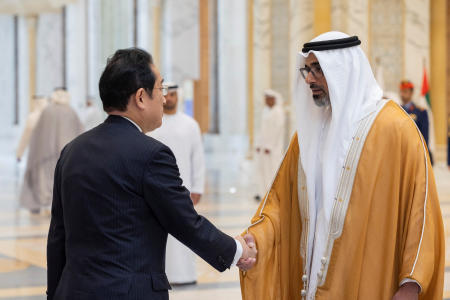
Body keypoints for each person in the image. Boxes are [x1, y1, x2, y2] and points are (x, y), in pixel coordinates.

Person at [238, 32, 444, 300]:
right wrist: (257, 239)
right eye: (307, 70)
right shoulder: (308, 135)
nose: (310, 78)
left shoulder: (395, 128)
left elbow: (421, 211)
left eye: (318, 69)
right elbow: (280, 203)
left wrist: (411, 283)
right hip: (311, 280)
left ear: (344, 71)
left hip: (371, 280)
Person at [46, 48, 257, 300]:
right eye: (160, 89)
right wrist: (237, 250)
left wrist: (54, 293)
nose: (164, 98)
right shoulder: (151, 154)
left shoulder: (72, 151)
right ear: (140, 97)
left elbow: (57, 235)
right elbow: (185, 222)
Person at [148, 83, 205, 285]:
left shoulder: (190, 124)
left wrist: (198, 187)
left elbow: (197, 158)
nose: (170, 99)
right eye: (167, 95)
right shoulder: (154, 123)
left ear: (178, 97)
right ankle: (163, 276)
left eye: (173, 95)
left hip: (184, 187)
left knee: (184, 231)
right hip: (155, 188)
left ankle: (184, 275)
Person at [20, 88, 83, 214]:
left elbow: (39, 134)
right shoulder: (71, 112)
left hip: (46, 154)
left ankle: (47, 205)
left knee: (46, 180)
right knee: (63, 180)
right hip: (67, 155)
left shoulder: (47, 111)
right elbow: (80, 132)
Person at [254, 89, 286, 201]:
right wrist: (259, 144)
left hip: (272, 149)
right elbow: (261, 129)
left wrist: (269, 146)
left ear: (273, 100)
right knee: (262, 170)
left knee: (272, 170)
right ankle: (262, 192)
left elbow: (276, 131)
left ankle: (272, 194)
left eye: (268, 98)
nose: (266, 101)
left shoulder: (278, 112)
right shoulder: (266, 111)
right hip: (263, 147)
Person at [399, 80, 433, 164]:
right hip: (400, 154)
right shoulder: (397, 110)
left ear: (411, 93)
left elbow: (424, 136)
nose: (402, 94)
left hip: (415, 154)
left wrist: (422, 154)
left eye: (405, 91)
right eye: (401, 91)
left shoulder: (420, 112)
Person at [16, 95, 49, 162]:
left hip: (36, 150)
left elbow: (25, 137)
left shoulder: (32, 117)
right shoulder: (51, 115)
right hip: (50, 151)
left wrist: (19, 154)